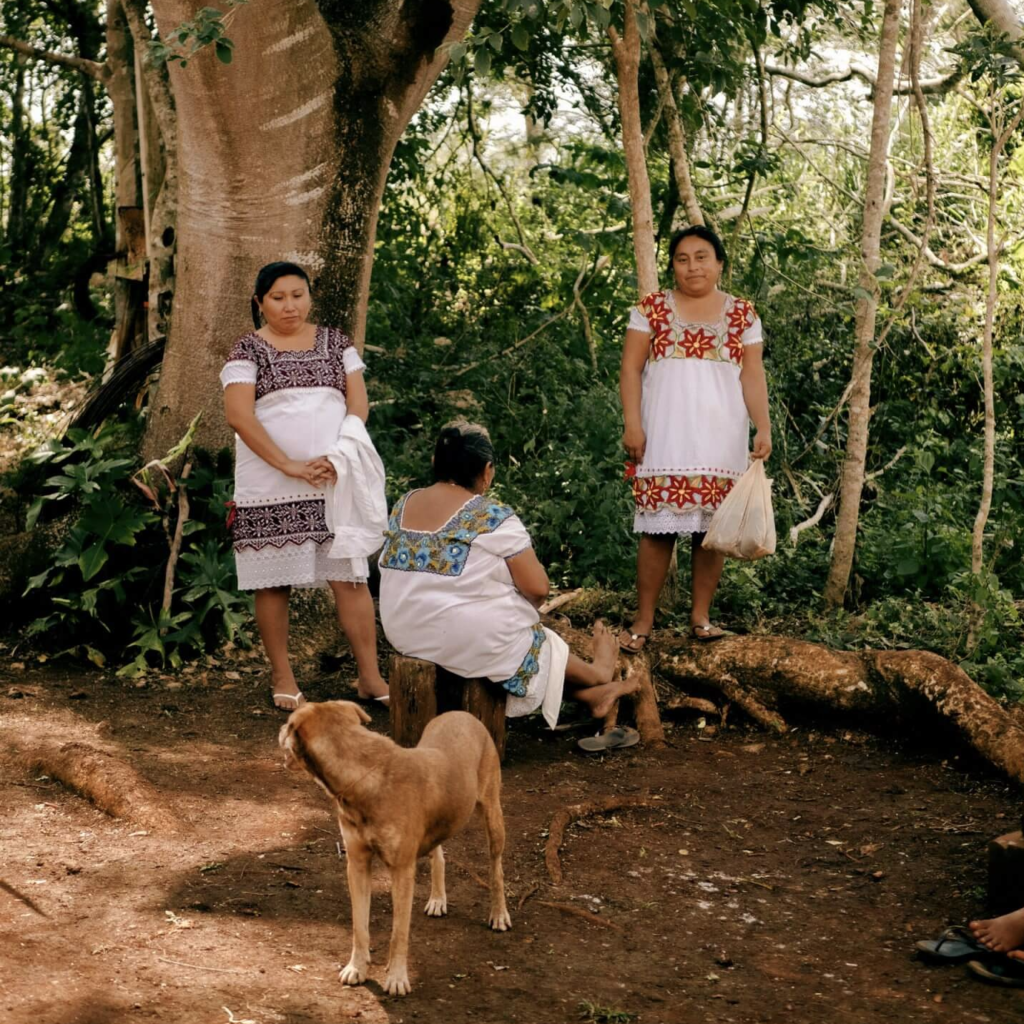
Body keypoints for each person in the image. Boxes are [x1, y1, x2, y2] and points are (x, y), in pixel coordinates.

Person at [377, 421, 637, 729]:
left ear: (436, 463)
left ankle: (592, 696)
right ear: (487, 471)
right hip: (462, 638)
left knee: (491, 628)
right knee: (528, 637)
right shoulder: (492, 516)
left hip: (402, 630)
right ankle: (597, 674)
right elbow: (538, 589)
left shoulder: (403, 504)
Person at [220, 261, 389, 710]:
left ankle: (370, 678)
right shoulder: (248, 349)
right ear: (260, 303)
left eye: (298, 294)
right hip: (271, 482)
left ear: (310, 296)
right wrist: (291, 465)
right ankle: (283, 675)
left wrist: (340, 456)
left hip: (334, 477)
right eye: (277, 297)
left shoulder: (337, 342)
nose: (289, 305)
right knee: (274, 584)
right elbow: (239, 415)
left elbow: (358, 403)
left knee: (350, 579)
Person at [618, 226, 771, 651]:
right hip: (664, 437)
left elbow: (752, 375)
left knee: (712, 532)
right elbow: (630, 369)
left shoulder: (743, 314)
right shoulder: (650, 310)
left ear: (719, 263)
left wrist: (764, 425)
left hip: (722, 438)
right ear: (673, 266)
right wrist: (633, 423)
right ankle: (643, 620)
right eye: (683, 258)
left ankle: (700, 618)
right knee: (657, 532)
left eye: (702, 257)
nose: (692, 266)